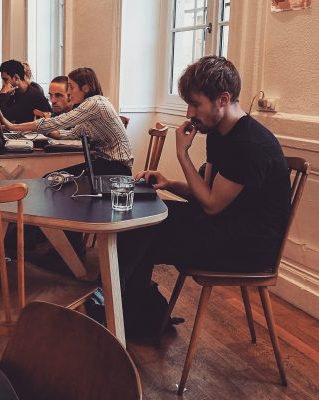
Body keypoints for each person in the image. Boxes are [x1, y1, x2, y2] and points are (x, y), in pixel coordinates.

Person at [117, 56, 291, 338]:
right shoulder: (219, 133)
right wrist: (168, 183)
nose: (189, 113)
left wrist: (182, 154)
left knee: (142, 231)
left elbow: (210, 205)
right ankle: (133, 312)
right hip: (225, 225)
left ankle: (125, 311)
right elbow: (206, 192)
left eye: (195, 104)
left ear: (223, 99)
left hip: (248, 248)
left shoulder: (248, 144)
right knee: (141, 217)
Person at [0, 67, 133, 176]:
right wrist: (41, 130)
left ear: (86, 88)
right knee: (51, 178)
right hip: (106, 163)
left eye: (71, 87)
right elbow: (71, 134)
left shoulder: (94, 103)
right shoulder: (90, 108)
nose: (69, 92)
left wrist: (13, 127)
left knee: (51, 179)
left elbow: (57, 122)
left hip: (116, 168)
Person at [0, 59, 52, 123]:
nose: (4, 84)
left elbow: (6, 117)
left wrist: (3, 93)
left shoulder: (31, 95)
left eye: (5, 79)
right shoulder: (17, 92)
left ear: (16, 78)